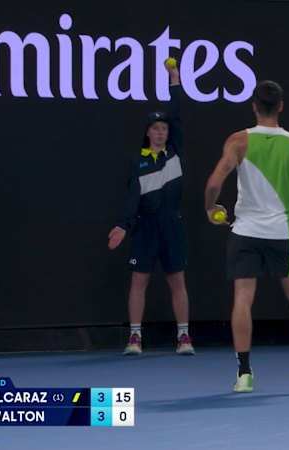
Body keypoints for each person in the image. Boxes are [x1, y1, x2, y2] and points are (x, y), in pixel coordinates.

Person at [204, 80, 289, 393]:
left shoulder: (238, 141)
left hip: (245, 233)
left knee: (242, 300)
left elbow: (214, 182)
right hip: (282, 234)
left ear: (254, 106)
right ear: (280, 107)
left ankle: (244, 373)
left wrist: (211, 207)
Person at [107, 58, 194, 356]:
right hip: (145, 228)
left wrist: (174, 79)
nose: (161, 132)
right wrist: (123, 224)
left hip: (171, 225)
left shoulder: (175, 153)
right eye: (156, 128)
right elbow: (133, 197)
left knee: (178, 282)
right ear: (148, 132)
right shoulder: (138, 162)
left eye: (164, 129)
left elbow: (177, 114)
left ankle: (183, 337)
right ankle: (135, 337)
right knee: (139, 282)